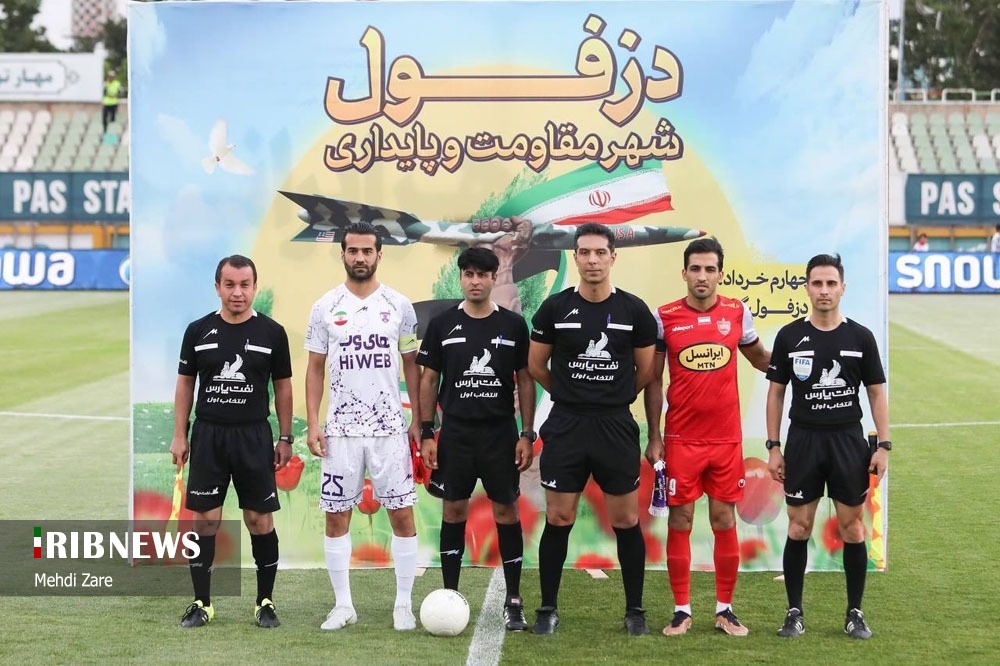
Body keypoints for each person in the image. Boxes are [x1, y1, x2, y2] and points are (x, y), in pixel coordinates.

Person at [528, 222, 657, 636]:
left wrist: (615, 396)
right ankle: (548, 608)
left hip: (615, 424)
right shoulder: (554, 309)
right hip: (566, 424)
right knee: (559, 516)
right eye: (584, 252)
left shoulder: (634, 310)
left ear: (613, 257)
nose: (593, 260)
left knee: (625, 519)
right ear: (576, 257)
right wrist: (568, 393)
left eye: (600, 252)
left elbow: (646, 371)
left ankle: (635, 610)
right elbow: (536, 365)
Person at [644, 237, 770, 637]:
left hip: (726, 440)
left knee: (723, 519)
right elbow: (653, 381)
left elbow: (761, 359)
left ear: (720, 274)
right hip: (682, 439)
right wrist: (654, 435)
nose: (702, 276)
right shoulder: (664, 317)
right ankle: (681, 610)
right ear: (684, 272)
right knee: (680, 519)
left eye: (710, 269)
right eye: (695, 269)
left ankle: (725, 610)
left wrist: (803, 367)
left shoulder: (737, 312)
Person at [765, 253, 890, 640]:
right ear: (807, 287)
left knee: (853, 528)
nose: (824, 290)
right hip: (804, 440)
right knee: (799, 526)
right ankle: (794, 612)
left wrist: (884, 444)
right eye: (817, 283)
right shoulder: (789, 336)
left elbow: (876, 392)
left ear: (842, 288)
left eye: (831, 283)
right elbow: (776, 394)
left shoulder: (860, 337)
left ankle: (855, 612)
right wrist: (773, 446)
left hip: (847, 441)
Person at [305, 221, 423, 631]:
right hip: (340, 431)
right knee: (336, 517)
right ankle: (343, 606)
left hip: (390, 428)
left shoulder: (399, 305)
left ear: (379, 255)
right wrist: (314, 423)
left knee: (402, 515)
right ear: (342, 253)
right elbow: (314, 368)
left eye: (367, 251)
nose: (359, 257)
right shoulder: (325, 306)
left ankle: (403, 604)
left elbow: (412, 365)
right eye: (352, 250)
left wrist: (418, 420)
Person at [170, 254, 293, 629]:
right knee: (206, 520)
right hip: (209, 435)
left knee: (258, 519)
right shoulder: (197, 331)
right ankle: (202, 603)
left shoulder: (272, 333)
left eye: (244, 285)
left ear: (255, 287)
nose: (237, 292)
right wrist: (180, 434)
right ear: (217, 287)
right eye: (229, 285)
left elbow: (283, 388)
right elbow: (185, 384)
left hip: (253, 436)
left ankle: (265, 602)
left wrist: (285, 436)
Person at [417, 246, 536, 632]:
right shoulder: (442, 324)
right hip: (456, 434)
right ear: (461, 277)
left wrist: (526, 433)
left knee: (506, 512)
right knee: (453, 512)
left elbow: (525, 380)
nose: (475, 281)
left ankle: (513, 600)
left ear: (492, 278)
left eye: (482, 275)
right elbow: (429, 380)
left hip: (500, 434)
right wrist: (427, 431)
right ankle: (450, 596)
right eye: (468, 274)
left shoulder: (513, 325)